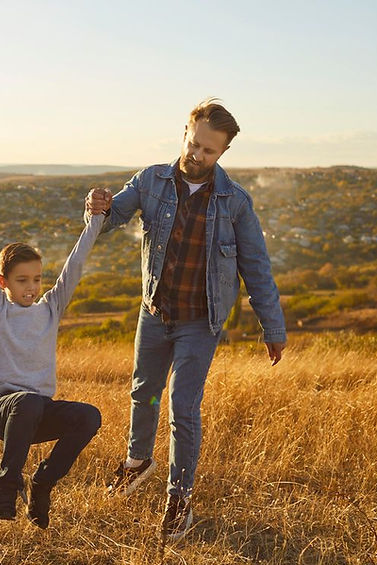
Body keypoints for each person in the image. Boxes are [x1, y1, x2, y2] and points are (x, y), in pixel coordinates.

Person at [87, 99, 287, 541]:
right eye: (194, 144)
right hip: (155, 311)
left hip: (201, 321)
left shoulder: (235, 202)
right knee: (144, 392)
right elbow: (111, 217)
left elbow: (257, 267)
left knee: (182, 407)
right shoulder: (150, 180)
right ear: (185, 133)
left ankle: (180, 498)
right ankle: (138, 462)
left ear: (222, 154)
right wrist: (97, 205)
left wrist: (272, 329)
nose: (198, 155)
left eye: (209, 151)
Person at [0, 180, 102, 529]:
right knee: (28, 402)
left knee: (89, 416)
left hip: (38, 412)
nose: (32, 287)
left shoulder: (50, 307)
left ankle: (43, 482)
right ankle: (6, 487)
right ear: (3, 282)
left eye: (37, 279)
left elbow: (76, 264)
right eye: (22, 281)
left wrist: (95, 219)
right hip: (3, 411)